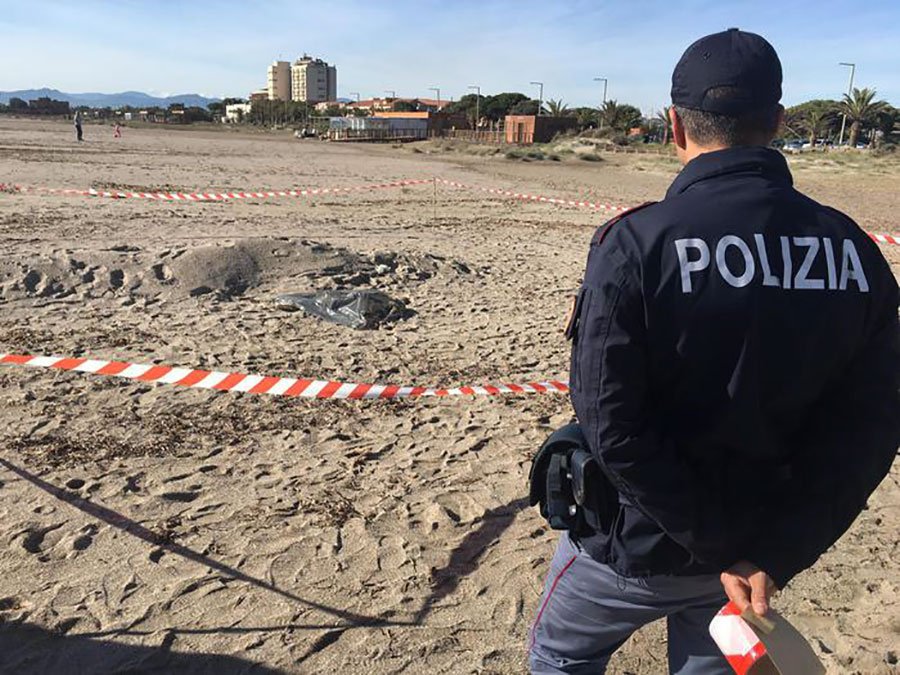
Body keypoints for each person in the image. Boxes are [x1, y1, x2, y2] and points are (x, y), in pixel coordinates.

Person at [529, 28, 899, 674]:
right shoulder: (856, 255)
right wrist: (772, 550)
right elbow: (869, 433)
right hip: (749, 555)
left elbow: (609, 423)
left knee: (559, 652)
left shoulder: (634, 246)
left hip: (636, 545)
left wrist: (721, 543)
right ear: (779, 122)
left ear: (675, 127)